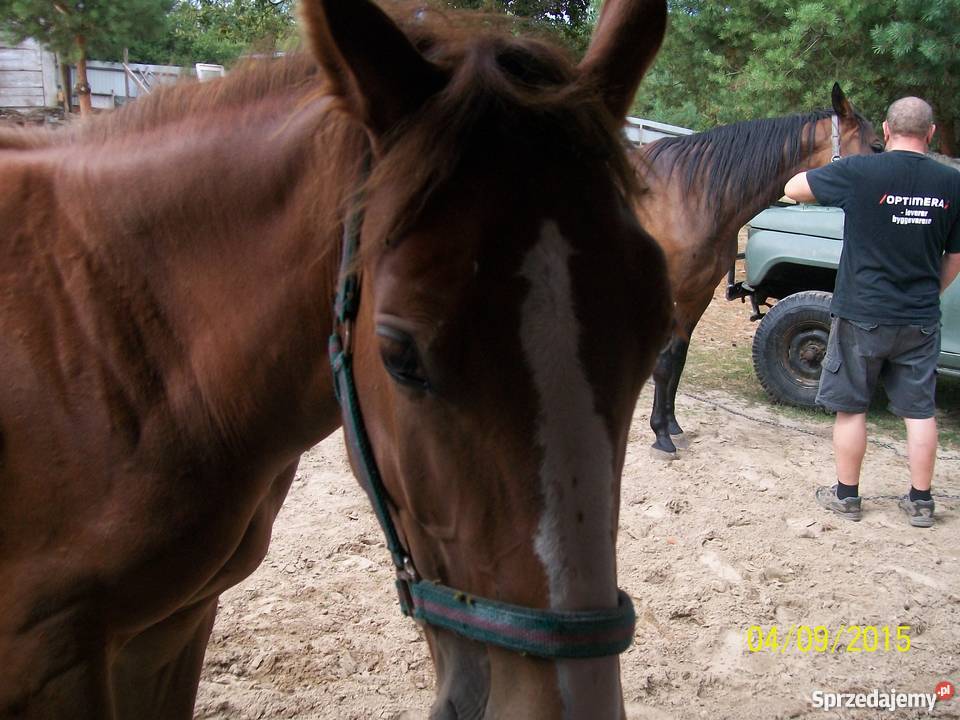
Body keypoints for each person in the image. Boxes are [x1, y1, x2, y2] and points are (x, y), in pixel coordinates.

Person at [784, 96, 960, 528]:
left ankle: (846, 496)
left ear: (884, 130)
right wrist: (928, 293)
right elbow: (955, 257)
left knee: (853, 408)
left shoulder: (859, 172)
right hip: (919, 317)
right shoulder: (952, 183)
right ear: (931, 132)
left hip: (861, 312)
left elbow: (793, 188)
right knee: (919, 412)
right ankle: (920, 501)